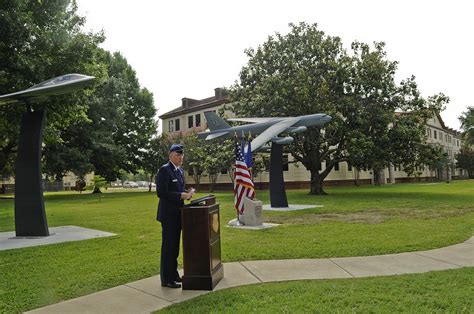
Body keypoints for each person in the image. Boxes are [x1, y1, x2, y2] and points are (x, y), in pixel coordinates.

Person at [156, 144, 194, 288]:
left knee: (175, 248)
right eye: (178, 155)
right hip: (168, 215)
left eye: (182, 155)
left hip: (179, 214)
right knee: (168, 247)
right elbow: (161, 192)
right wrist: (180, 195)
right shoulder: (165, 170)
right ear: (170, 156)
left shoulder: (179, 171)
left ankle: (174, 275)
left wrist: (187, 193)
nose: (180, 157)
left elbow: (179, 190)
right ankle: (167, 280)